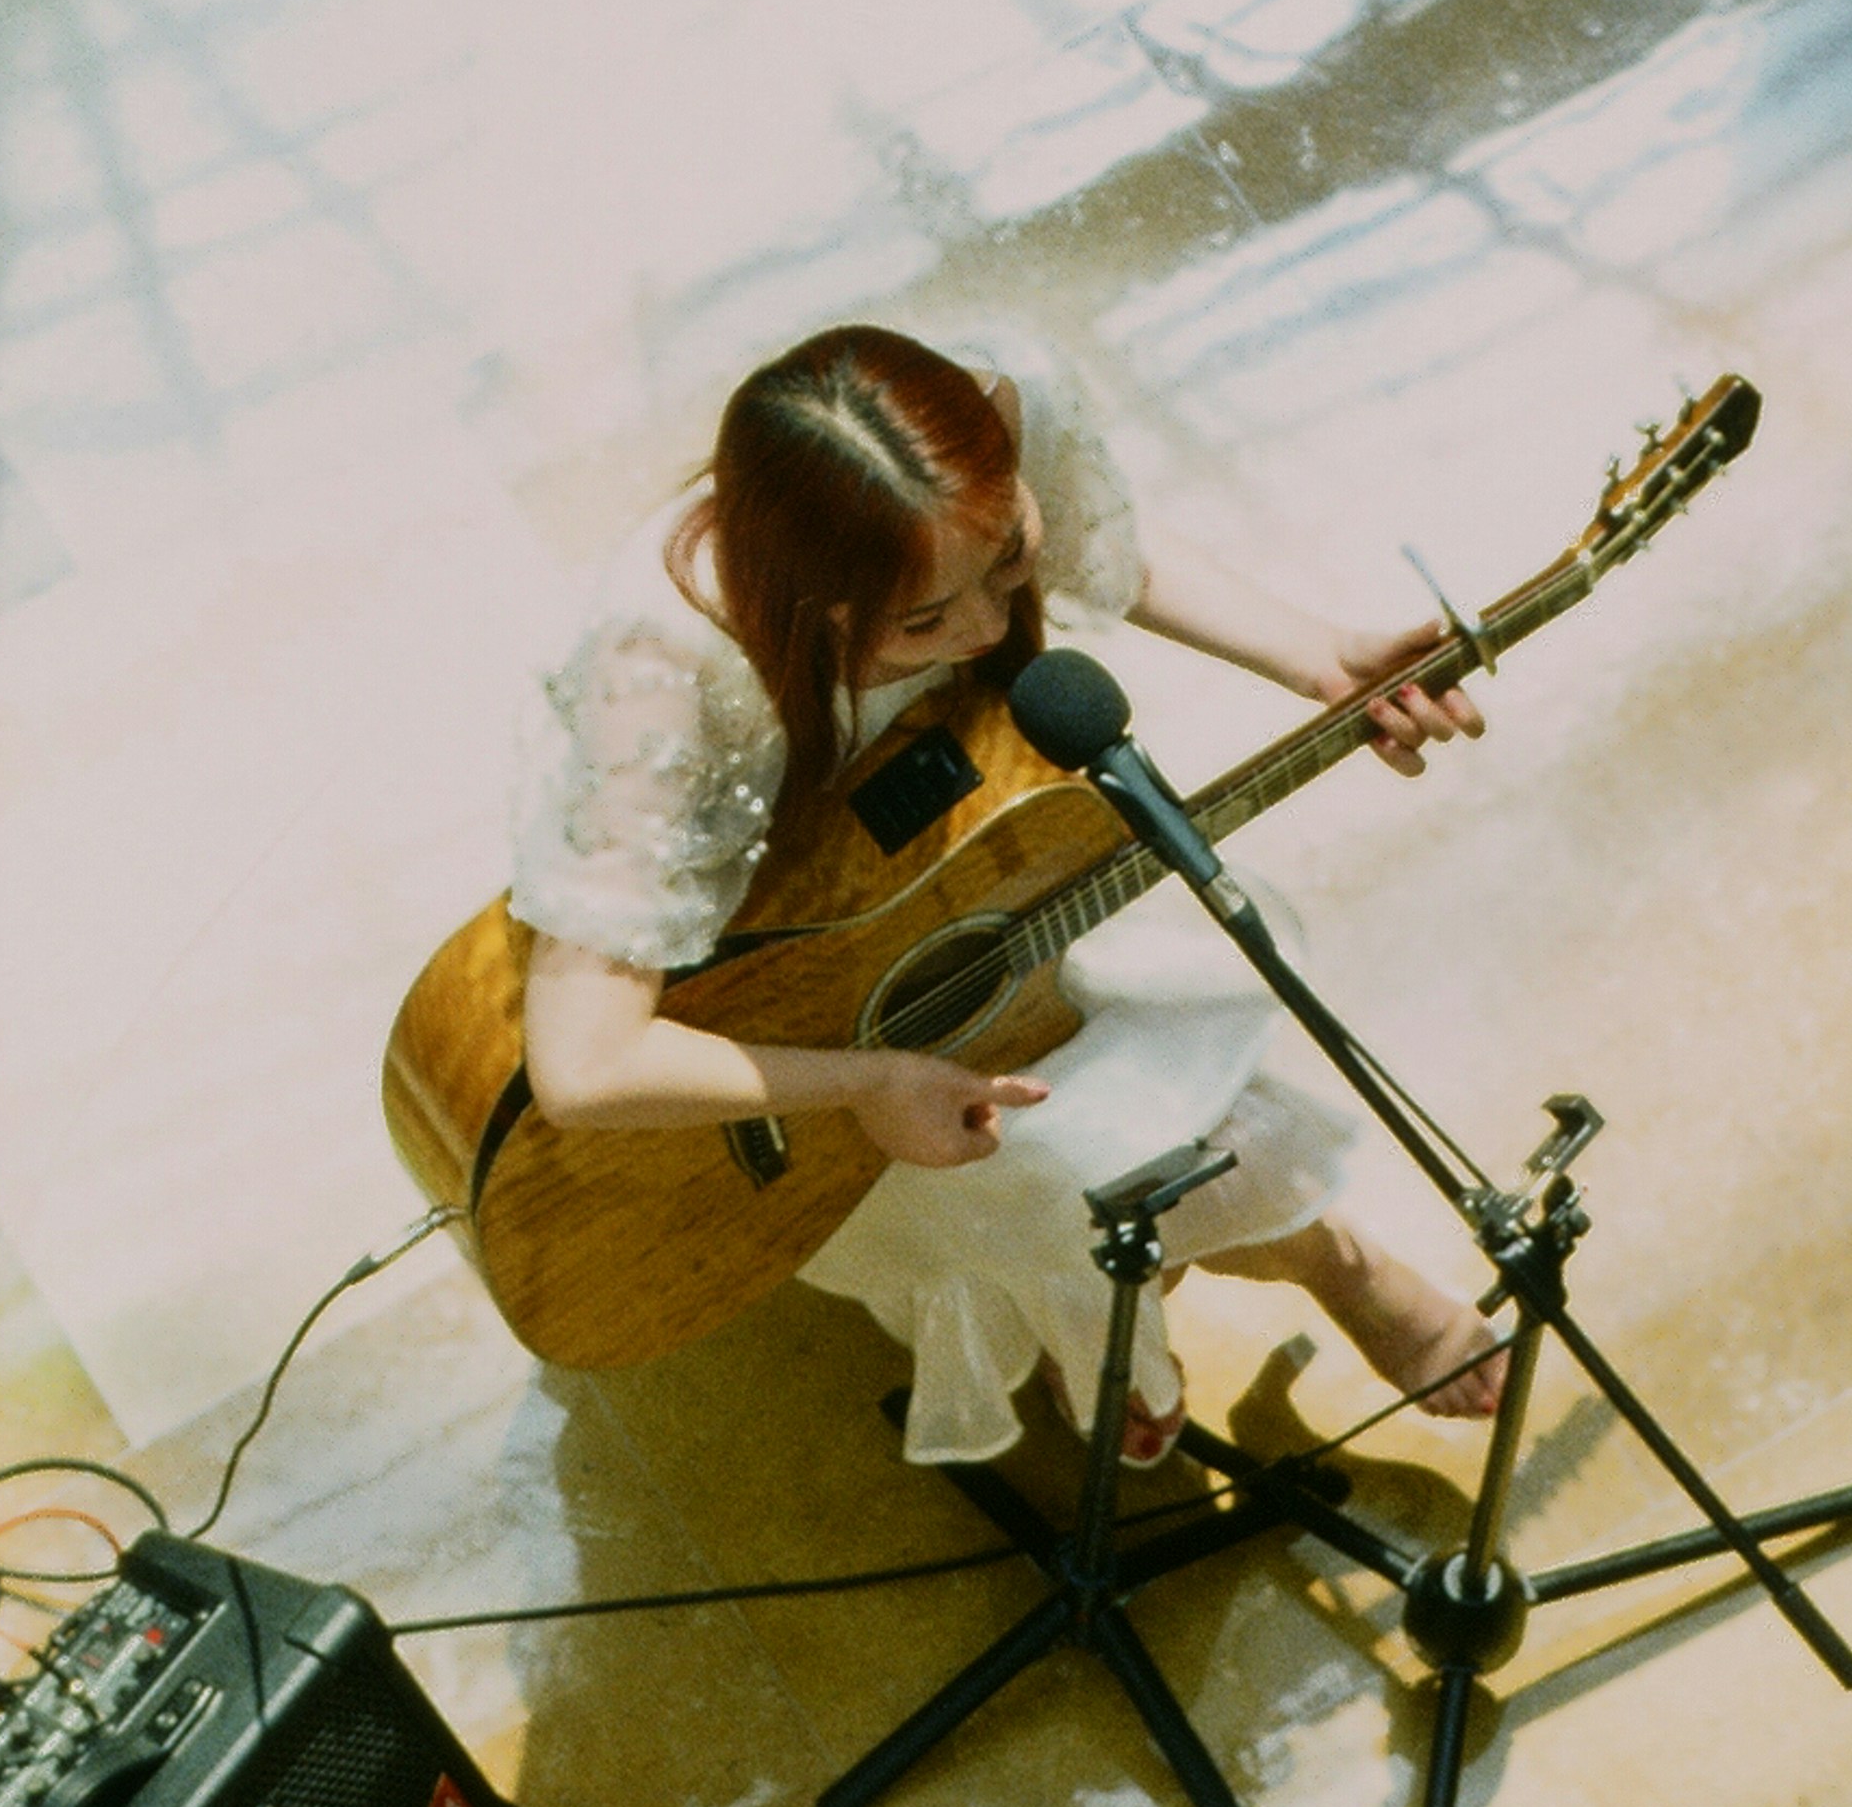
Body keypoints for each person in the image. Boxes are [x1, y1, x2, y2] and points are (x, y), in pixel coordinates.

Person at [512, 323, 1509, 1468]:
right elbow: (585, 1065)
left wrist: (1318, 655)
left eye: (1008, 562)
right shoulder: (654, 681)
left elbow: (1104, 548)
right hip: (784, 956)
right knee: (1026, 1164)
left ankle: (1334, 1261)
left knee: (1146, 1079)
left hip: (966, 840)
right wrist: (867, 1083)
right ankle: (1113, 1320)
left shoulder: (1006, 397)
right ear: (804, 606)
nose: (988, 632)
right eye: (922, 623)